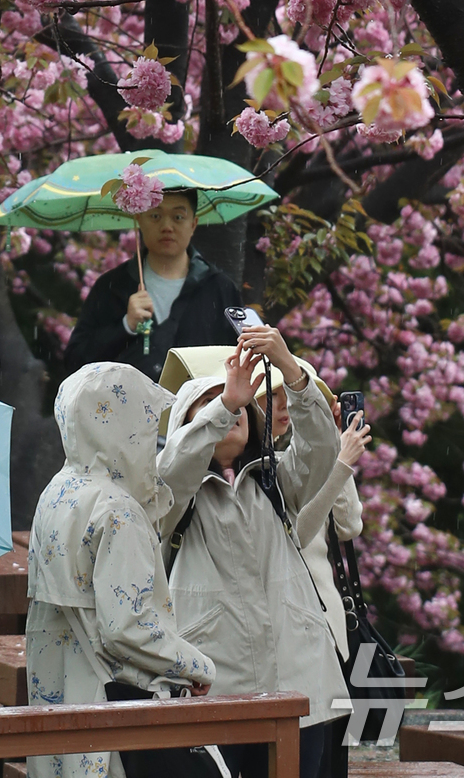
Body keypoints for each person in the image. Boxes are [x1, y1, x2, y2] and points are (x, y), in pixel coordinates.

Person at [158, 331, 351, 778]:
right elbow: (171, 470)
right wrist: (224, 404)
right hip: (216, 685)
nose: (230, 407)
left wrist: (289, 368)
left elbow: (321, 452)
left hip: (299, 677)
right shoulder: (172, 495)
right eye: (209, 403)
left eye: (240, 404)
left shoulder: (274, 480)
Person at [26, 361, 215, 778]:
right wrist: (195, 665)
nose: (151, 436)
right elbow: (125, 626)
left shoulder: (57, 492)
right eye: (146, 423)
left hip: (57, 708)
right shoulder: (117, 510)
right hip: (109, 719)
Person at [63, 191, 242, 383]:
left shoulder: (219, 289)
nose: (166, 226)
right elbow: (76, 362)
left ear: (193, 224)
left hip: (199, 411)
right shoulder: (112, 287)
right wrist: (126, 326)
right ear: (139, 220)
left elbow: (239, 365)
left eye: (178, 217)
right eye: (155, 216)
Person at [286, 396, 369, 778]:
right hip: (287, 622)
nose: (284, 409)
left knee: (330, 755)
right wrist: (339, 463)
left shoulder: (316, 454)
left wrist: (337, 449)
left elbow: (350, 524)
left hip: (328, 623)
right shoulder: (268, 464)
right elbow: (296, 534)